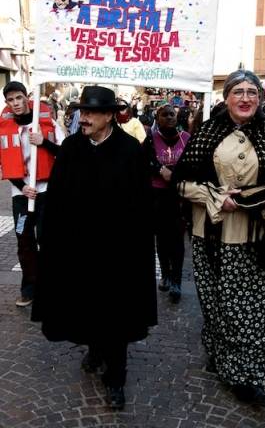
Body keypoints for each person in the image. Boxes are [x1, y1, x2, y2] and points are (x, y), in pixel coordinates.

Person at [172, 70, 265, 408]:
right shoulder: (206, 133)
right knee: (218, 305)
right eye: (238, 92)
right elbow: (181, 183)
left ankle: (247, 378)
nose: (246, 98)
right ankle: (220, 355)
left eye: (252, 92)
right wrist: (214, 196)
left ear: (260, 99)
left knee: (250, 310)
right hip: (212, 236)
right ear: (226, 98)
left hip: (257, 238)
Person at [31, 85, 157, 410]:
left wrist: (133, 248)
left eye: (89, 112)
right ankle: (96, 349)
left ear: (109, 116)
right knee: (85, 307)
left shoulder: (130, 150)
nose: (82, 118)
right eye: (81, 112)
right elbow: (58, 198)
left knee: (115, 315)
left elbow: (142, 207)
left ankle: (116, 378)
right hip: (79, 251)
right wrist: (51, 237)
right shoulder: (72, 147)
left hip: (117, 254)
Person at [0, 81, 65, 307]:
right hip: (21, 196)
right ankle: (29, 288)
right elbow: (4, 163)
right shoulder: (4, 128)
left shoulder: (47, 122)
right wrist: (21, 186)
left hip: (46, 193)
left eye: (19, 98)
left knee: (48, 240)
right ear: (7, 103)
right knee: (24, 241)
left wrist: (43, 142)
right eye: (10, 100)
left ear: (27, 97)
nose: (16, 103)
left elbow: (65, 154)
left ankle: (51, 287)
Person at [143, 104, 190, 303]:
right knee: (162, 239)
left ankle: (177, 281)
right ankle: (166, 274)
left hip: (179, 196)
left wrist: (175, 174)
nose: (170, 118)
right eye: (165, 115)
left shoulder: (186, 138)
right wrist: (159, 169)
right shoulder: (151, 139)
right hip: (158, 196)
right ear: (158, 118)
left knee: (177, 240)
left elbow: (192, 163)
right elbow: (143, 161)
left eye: (172, 114)